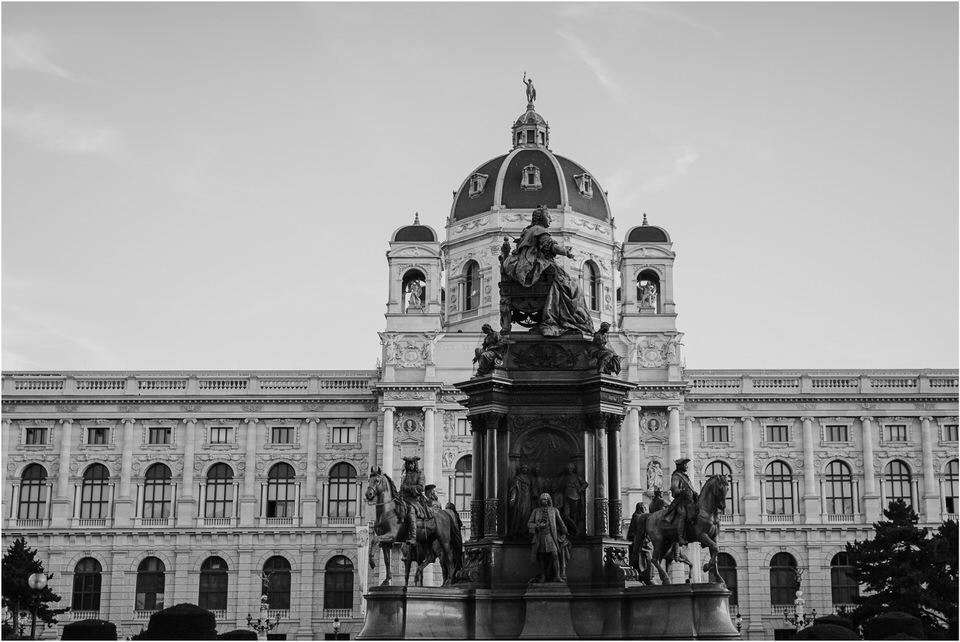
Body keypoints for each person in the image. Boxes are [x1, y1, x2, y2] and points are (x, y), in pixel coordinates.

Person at [500, 205, 595, 337]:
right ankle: (572, 319)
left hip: (525, 266)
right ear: (541, 217)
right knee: (572, 286)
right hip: (535, 267)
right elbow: (551, 246)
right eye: (548, 216)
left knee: (566, 283)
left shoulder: (528, 230)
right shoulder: (539, 230)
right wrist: (565, 252)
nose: (550, 220)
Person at [527, 493, 567, 583]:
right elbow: (529, 523)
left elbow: (560, 522)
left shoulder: (554, 510)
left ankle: (557, 576)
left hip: (551, 536)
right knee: (541, 557)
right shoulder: (536, 511)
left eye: (545, 499)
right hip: (540, 536)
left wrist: (564, 532)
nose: (543, 501)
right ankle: (543, 576)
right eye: (541, 499)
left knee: (555, 555)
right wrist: (537, 526)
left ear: (549, 500)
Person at [664, 458, 697, 547]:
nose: (687, 466)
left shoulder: (685, 476)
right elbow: (675, 490)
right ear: (680, 466)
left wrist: (694, 493)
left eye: (686, 464)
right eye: (685, 465)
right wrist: (683, 491)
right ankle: (681, 538)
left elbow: (691, 489)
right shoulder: (676, 476)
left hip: (690, 501)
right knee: (683, 515)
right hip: (681, 502)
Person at [555, 462, 589, 538]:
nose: (569, 470)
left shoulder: (576, 477)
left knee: (574, 515)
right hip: (567, 497)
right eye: (568, 468)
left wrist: (580, 489)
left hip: (575, 497)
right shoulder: (565, 477)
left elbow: (585, 484)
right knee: (566, 515)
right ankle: (576, 530)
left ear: (573, 469)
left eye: (571, 468)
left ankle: (575, 532)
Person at [400, 456, 427, 545]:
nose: (410, 466)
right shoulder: (405, 475)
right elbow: (402, 488)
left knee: (411, 512)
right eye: (408, 464)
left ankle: (413, 537)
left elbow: (421, 488)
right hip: (404, 498)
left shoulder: (420, 474)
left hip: (414, 500)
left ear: (415, 464)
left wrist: (408, 488)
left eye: (411, 464)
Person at [626, 502, 653, 580]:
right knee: (646, 559)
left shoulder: (640, 516)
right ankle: (646, 577)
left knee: (648, 559)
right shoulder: (638, 517)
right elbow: (639, 531)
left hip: (643, 541)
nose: (646, 510)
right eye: (644, 508)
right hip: (640, 543)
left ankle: (646, 576)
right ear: (641, 508)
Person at [508, 463, 535, 536]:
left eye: (526, 468)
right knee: (521, 514)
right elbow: (515, 488)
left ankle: (525, 531)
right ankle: (519, 531)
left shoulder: (529, 478)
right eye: (523, 468)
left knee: (528, 515)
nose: (525, 469)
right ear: (521, 469)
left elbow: (532, 489)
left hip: (528, 499)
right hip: (521, 498)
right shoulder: (518, 478)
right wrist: (513, 498)